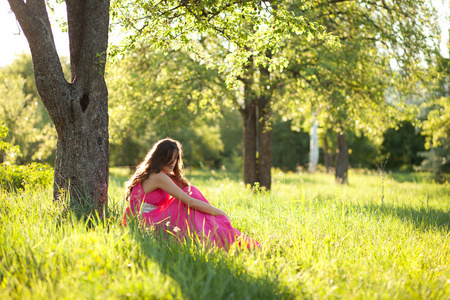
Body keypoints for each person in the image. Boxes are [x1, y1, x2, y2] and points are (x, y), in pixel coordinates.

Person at [123, 138, 259, 250]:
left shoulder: (153, 173)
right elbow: (190, 201)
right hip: (147, 224)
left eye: (175, 158)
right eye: (168, 158)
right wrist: (220, 212)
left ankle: (215, 234)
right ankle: (219, 235)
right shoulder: (157, 176)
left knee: (190, 194)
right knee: (191, 194)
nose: (172, 163)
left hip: (145, 220)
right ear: (159, 158)